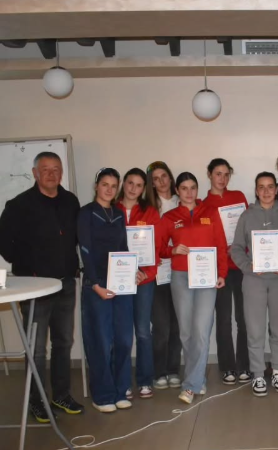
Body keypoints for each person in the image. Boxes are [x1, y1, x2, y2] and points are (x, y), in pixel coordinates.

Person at [0, 151, 83, 423]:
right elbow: (0, 242)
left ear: (61, 173)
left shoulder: (71, 201)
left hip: (65, 283)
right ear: (35, 173)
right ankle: (37, 400)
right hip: (34, 287)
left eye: (56, 169)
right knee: (37, 349)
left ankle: (61, 395)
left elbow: (76, 238)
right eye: (45, 169)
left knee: (63, 342)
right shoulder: (19, 205)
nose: (51, 174)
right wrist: (27, 265)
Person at [157, 172, 228, 404]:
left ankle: (190, 386)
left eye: (193, 188)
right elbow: (158, 248)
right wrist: (172, 250)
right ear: (177, 191)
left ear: (198, 189)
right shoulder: (169, 217)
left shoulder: (210, 212)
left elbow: (220, 244)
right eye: (184, 188)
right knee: (186, 331)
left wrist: (222, 273)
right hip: (181, 277)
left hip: (206, 277)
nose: (189, 192)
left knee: (201, 329)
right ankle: (197, 379)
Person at [78, 167, 136, 413]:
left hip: (121, 283)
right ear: (96, 186)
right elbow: (85, 250)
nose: (109, 189)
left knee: (123, 339)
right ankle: (102, 396)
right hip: (97, 284)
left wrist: (133, 270)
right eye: (105, 184)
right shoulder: (86, 213)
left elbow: (123, 247)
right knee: (100, 341)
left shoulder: (119, 213)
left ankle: (120, 391)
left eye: (114, 186)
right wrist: (95, 284)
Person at [229, 172, 278, 397]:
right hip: (253, 280)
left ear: (276, 189)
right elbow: (236, 248)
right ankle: (257, 374)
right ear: (256, 191)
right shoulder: (247, 216)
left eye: (270, 186)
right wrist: (249, 266)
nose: (266, 191)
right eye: (261, 187)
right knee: (254, 330)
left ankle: (277, 371)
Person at [202, 158, 251, 385]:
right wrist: (222, 248)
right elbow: (205, 238)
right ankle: (228, 367)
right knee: (223, 319)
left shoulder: (238, 197)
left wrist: (239, 246)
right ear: (209, 175)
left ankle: (244, 365)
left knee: (243, 318)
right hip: (219, 268)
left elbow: (248, 228)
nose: (222, 179)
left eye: (226, 174)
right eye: (218, 174)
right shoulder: (203, 205)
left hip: (241, 266)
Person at [117, 168, 160, 399]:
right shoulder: (111, 209)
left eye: (139, 185)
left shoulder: (149, 212)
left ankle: (145, 381)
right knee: (122, 334)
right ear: (123, 184)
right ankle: (123, 382)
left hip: (144, 281)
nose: (133, 188)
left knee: (143, 331)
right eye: (130, 183)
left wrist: (146, 273)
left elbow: (155, 247)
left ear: (144, 189)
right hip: (119, 280)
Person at [145, 161, 183, 391]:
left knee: (177, 325)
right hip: (157, 274)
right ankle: (158, 371)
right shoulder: (148, 208)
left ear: (170, 177)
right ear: (151, 184)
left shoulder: (183, 200)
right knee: (161, 326)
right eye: (156, 179)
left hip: (180, 272)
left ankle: (173, 370)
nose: (161, 181)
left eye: (164, 176)